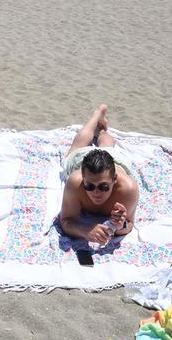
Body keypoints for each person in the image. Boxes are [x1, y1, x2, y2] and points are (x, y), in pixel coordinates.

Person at [59, 105, 139, 245]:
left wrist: (120, 226)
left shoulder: (128, 188)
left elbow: (129, 224)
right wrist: (85, 231)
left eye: (103, 187)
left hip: (117, 162)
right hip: (83, 160)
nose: (96, 192)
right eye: (89, 186)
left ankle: (101, 129)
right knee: (77, 148)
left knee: (108, 147)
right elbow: (65, 221)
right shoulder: (75, 183)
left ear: (115, 180)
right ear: (83, 179)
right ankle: (97, 116)